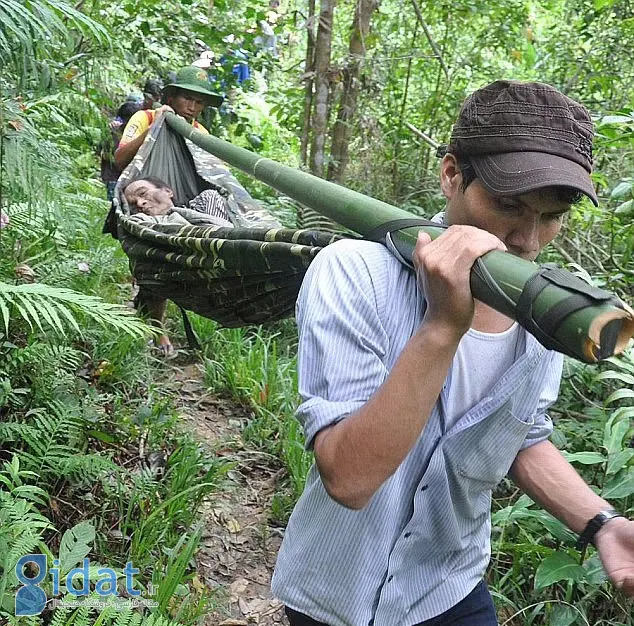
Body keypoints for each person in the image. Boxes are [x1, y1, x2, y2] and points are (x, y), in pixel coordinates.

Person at [271, 80, 634, 625]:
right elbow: (349, 477)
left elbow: (519, 437)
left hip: (447, 587)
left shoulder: (547, 309)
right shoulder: (356, 273)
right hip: (336, 589)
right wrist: (442, 326)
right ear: (451, 175)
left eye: (552, 215)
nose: (529, 240)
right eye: (509, 205)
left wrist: (602, 524)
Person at [122, 177, 232, 356]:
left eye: (143, 194)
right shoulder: (141, 223)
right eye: (133, 204)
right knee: (149, 263)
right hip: (172, 265)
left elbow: (221, 229)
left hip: (221, 255)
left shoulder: (204, 201)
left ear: (168, 191)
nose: (140, 203)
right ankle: (158, 328)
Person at [114, 65, 223, 171]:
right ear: (172, 97)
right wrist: (152, 129)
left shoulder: (200, 133)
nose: (192, 107)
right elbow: (119, 161)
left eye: (199, 102)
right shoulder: (145, 118)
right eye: (187, 98)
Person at [100, 100, 142, 201]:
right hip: (113, 177)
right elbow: (106, 154)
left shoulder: (136, 134)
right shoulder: (114, 134)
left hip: (124, 178)